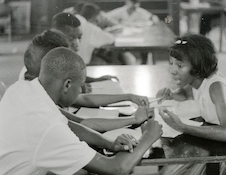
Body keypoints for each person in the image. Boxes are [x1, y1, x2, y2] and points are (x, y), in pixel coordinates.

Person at [0, 47, 162, 175]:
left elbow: (68, 125)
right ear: (67, 85)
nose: (82, 91)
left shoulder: (22, 89)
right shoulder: (47, 127)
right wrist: (148, 136)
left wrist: (109, 143)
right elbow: (117, 168)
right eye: (81, 85)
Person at [156, 34, 226, 175]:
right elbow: (185, 94)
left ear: (197, 66)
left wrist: (182, 126)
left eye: (180, 65)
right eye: (171, 63)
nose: (172, 70)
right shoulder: (196, 81)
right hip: (217, 145)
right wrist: (171, 94)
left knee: (175, 170)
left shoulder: (216, 87)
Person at [20, 30, 153, 133]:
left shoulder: (37, 84)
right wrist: (133, 119)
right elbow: (83, 124)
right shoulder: (38, 99)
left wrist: (128, 97)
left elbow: (84, 100)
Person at [51, 12, 119, 82]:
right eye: (71, 38)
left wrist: (96, 80)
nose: (76, 43)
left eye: (79, 38)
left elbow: (72, 77)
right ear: (56, 34)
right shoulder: (47, 54)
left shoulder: (65, 54)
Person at [106, 0, 160, 64]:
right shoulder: (121, 11)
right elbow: (107, 16)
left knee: (144, 48)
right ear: (127, 3)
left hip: (137, 35)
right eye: (130, 4)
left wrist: (154, 20)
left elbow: (152, 17)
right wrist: (116, 23)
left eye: (133, 5)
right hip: (123, 36)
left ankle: (144, 63)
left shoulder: (140, 12)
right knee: (119, 51)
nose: (131, 7)